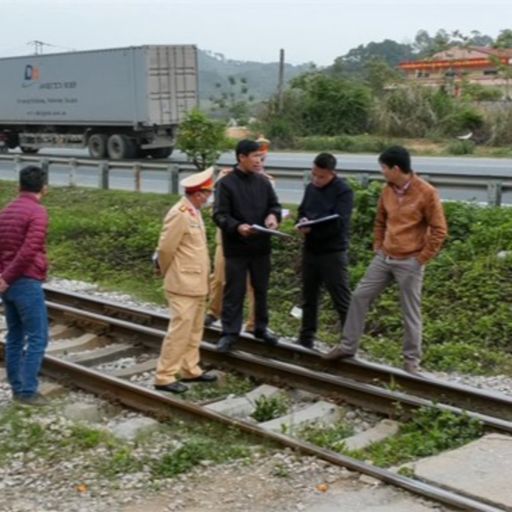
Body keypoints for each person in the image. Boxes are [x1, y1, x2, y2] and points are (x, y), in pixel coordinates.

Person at [324, 146, 448, 373]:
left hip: (410, 260)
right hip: (385, 257)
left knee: (410, 310)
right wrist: (378, 246)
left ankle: (411, 360)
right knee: (360, 296)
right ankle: (347, 346)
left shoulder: (426, 192)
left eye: (384, 168)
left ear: (396, 168)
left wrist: (421, 259)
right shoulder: (387, 190)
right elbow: (380, 220)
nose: (382, 173)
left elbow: (439, 230)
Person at [213, 139, 282, 352]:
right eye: (254, 156)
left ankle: (260, 328)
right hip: (236, 247)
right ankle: (229, 333)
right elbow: (219, 215)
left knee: (261, 289)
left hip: (261, 246)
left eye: (260, 157)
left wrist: (272, 217)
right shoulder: (226, 183)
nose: (258, 161)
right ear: (241, 157)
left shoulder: (263, 182)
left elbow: (275, 205)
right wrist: (238, 227)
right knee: (234, 291)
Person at [153, 166, 217, 394]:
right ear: (198, 193)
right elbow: (166, 248)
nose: (209, 199)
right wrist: (167, 271)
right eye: (208, 194)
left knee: (195, 329)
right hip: (182, 282)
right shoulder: (179, 213)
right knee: (180, 330)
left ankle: (190, 368)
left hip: (197, 283)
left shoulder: (193, 211)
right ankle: (164, 375)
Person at [0, 165, 50, 406]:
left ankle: (17, 387)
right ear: (44, 188)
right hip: (25, 281)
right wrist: (8, 276)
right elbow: (30, 250)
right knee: (38, 336)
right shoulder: (37, 212)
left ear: (19, 186)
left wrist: (3, 277)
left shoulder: (7, 210)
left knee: (15, 336)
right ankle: (28, 391)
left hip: (7, 285)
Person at [296, 152, 353, 349]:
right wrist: (302, 222)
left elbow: (340, 223)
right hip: (311, 249)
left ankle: (349, 342)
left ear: (332, 173)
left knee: (341, 297)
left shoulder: (343, 191)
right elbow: (302, 210)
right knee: (309, 295)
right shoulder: (311, 188)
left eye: (321, 176)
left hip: (333, 252)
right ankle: (306, 337)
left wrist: (315, 229)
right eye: (314, 174)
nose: (316, 180)